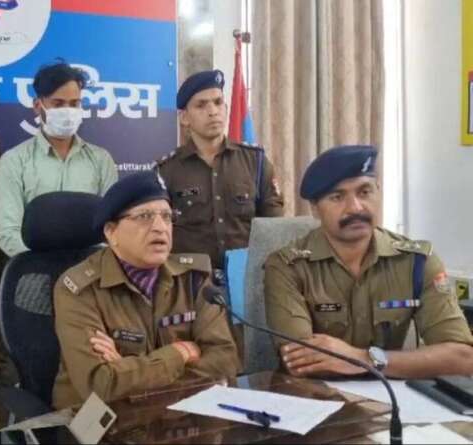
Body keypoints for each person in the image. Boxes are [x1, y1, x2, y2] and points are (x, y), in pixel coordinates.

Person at [265, 145, 473, 378]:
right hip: (318, 395)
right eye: (337, 197)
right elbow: (300, 362)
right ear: (315, 209)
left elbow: (463, 358)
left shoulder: (417, 261)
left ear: (379, 191)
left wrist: (364, 358)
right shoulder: (288, 267)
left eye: (364, 192)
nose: (355, 207)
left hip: (397, 394)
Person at [52, 172, 240, 409]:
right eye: (144, 217)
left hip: (176, 412)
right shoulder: (79, 289)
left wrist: (128, 371)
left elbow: (225, 361)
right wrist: (181, 352)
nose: (160, 228)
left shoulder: (194, 279)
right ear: (111, 232)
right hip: (95, 418)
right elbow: (102, 386)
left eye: (167, 216)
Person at [157, 70, 283, 273]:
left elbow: (274, 225)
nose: (213, 111)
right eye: (201, 105)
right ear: (184, 118)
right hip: (191, 281)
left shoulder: (255, 161)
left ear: (226, 108)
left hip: (248, 276)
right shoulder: (166, 170)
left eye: (218, 102)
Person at [0, 61, 118, 257]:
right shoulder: (14, 161)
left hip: (91, 271)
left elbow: (112, 228)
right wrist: (45, 265)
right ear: (38, 106)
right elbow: (8, 234)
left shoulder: (101, 160)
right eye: (58, 104)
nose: (68, 111)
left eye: (74, 104)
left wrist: (86, 268)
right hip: (35, 270)